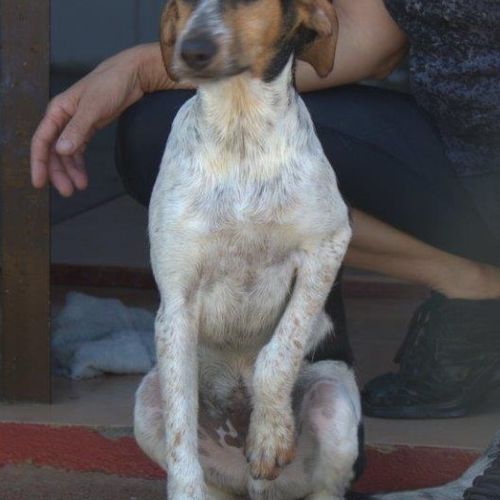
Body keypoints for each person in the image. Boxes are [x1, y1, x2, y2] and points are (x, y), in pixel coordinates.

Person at [31, 0, 500, 419]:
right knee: (162, 131)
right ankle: (472, 284)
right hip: (453, 148)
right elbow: (369, 40)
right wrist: (140, 69)